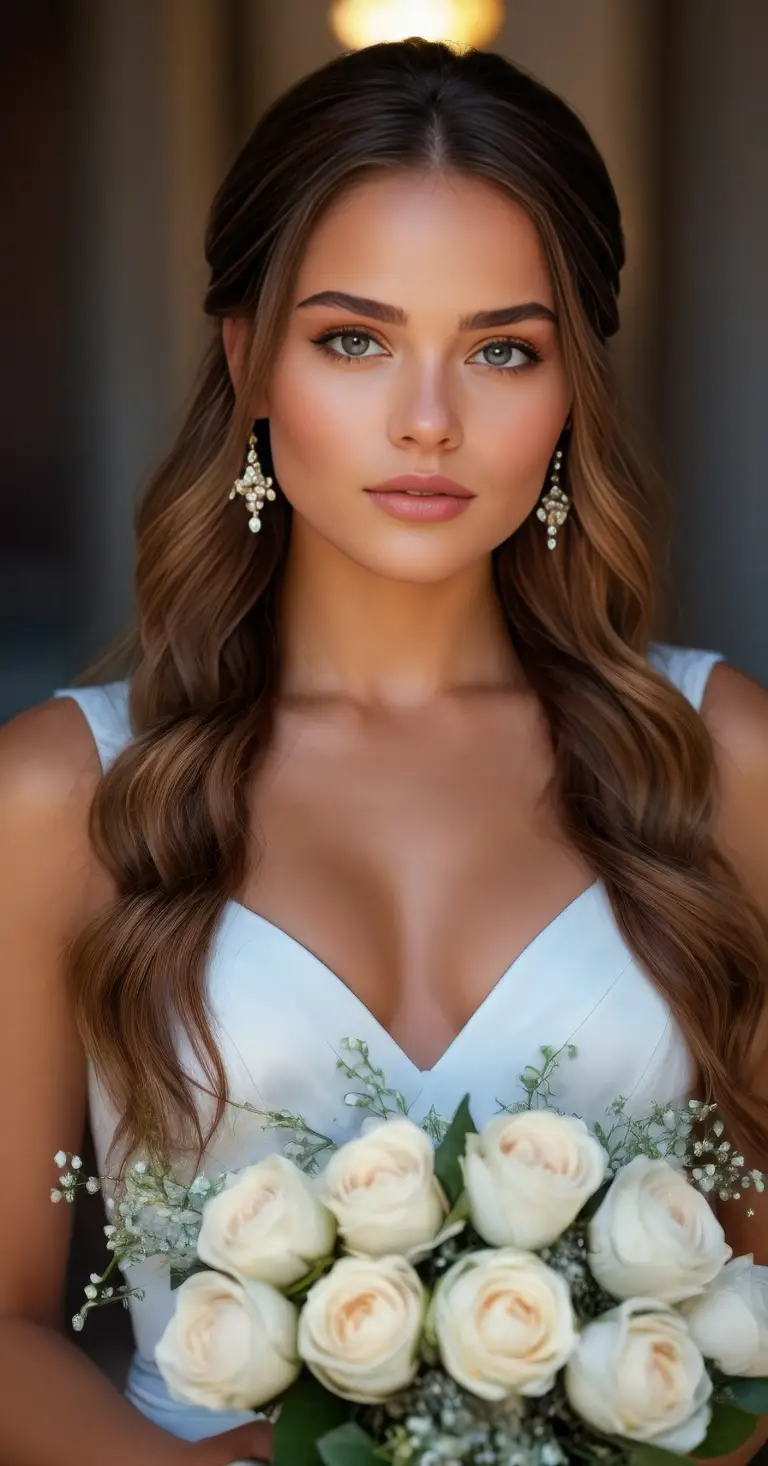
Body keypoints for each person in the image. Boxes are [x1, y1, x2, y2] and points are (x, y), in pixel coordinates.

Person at [1, 36, 767, 1466]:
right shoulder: (63, 792)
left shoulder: (720, 759)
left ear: (572, 389)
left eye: (502, 349)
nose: (429, 419)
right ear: (248, 360)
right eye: (354, 339)